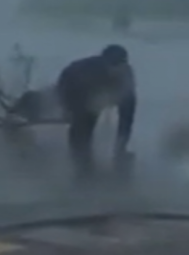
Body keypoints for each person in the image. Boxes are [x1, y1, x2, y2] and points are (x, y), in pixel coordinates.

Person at [56, 44, 137, 178]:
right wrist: (67, 109)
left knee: (122, 126)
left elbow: (127, 116)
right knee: (81, 128)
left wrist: (120, 148)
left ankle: (117, 164)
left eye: (119, 66)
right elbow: (65, 92)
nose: (115, 70)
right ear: (103, 63)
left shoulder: (126, 76)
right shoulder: (83, 72)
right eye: (112, 66)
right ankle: (82, 169)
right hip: (75, 91)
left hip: (101, 95)